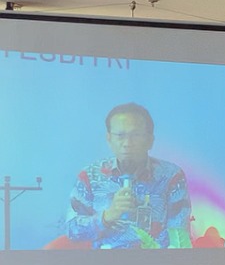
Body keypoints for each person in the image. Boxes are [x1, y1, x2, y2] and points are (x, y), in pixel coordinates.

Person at [67, 102, 192, 248]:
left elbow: (179, 234)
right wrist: (108, 216)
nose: (127, 143)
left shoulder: (171, 176)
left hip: (155, 259)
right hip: (105, 260)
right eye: (120, 136)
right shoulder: (90, 176)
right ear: (109, 139)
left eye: (135, 135)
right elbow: (72, 230)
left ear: (150, 140)